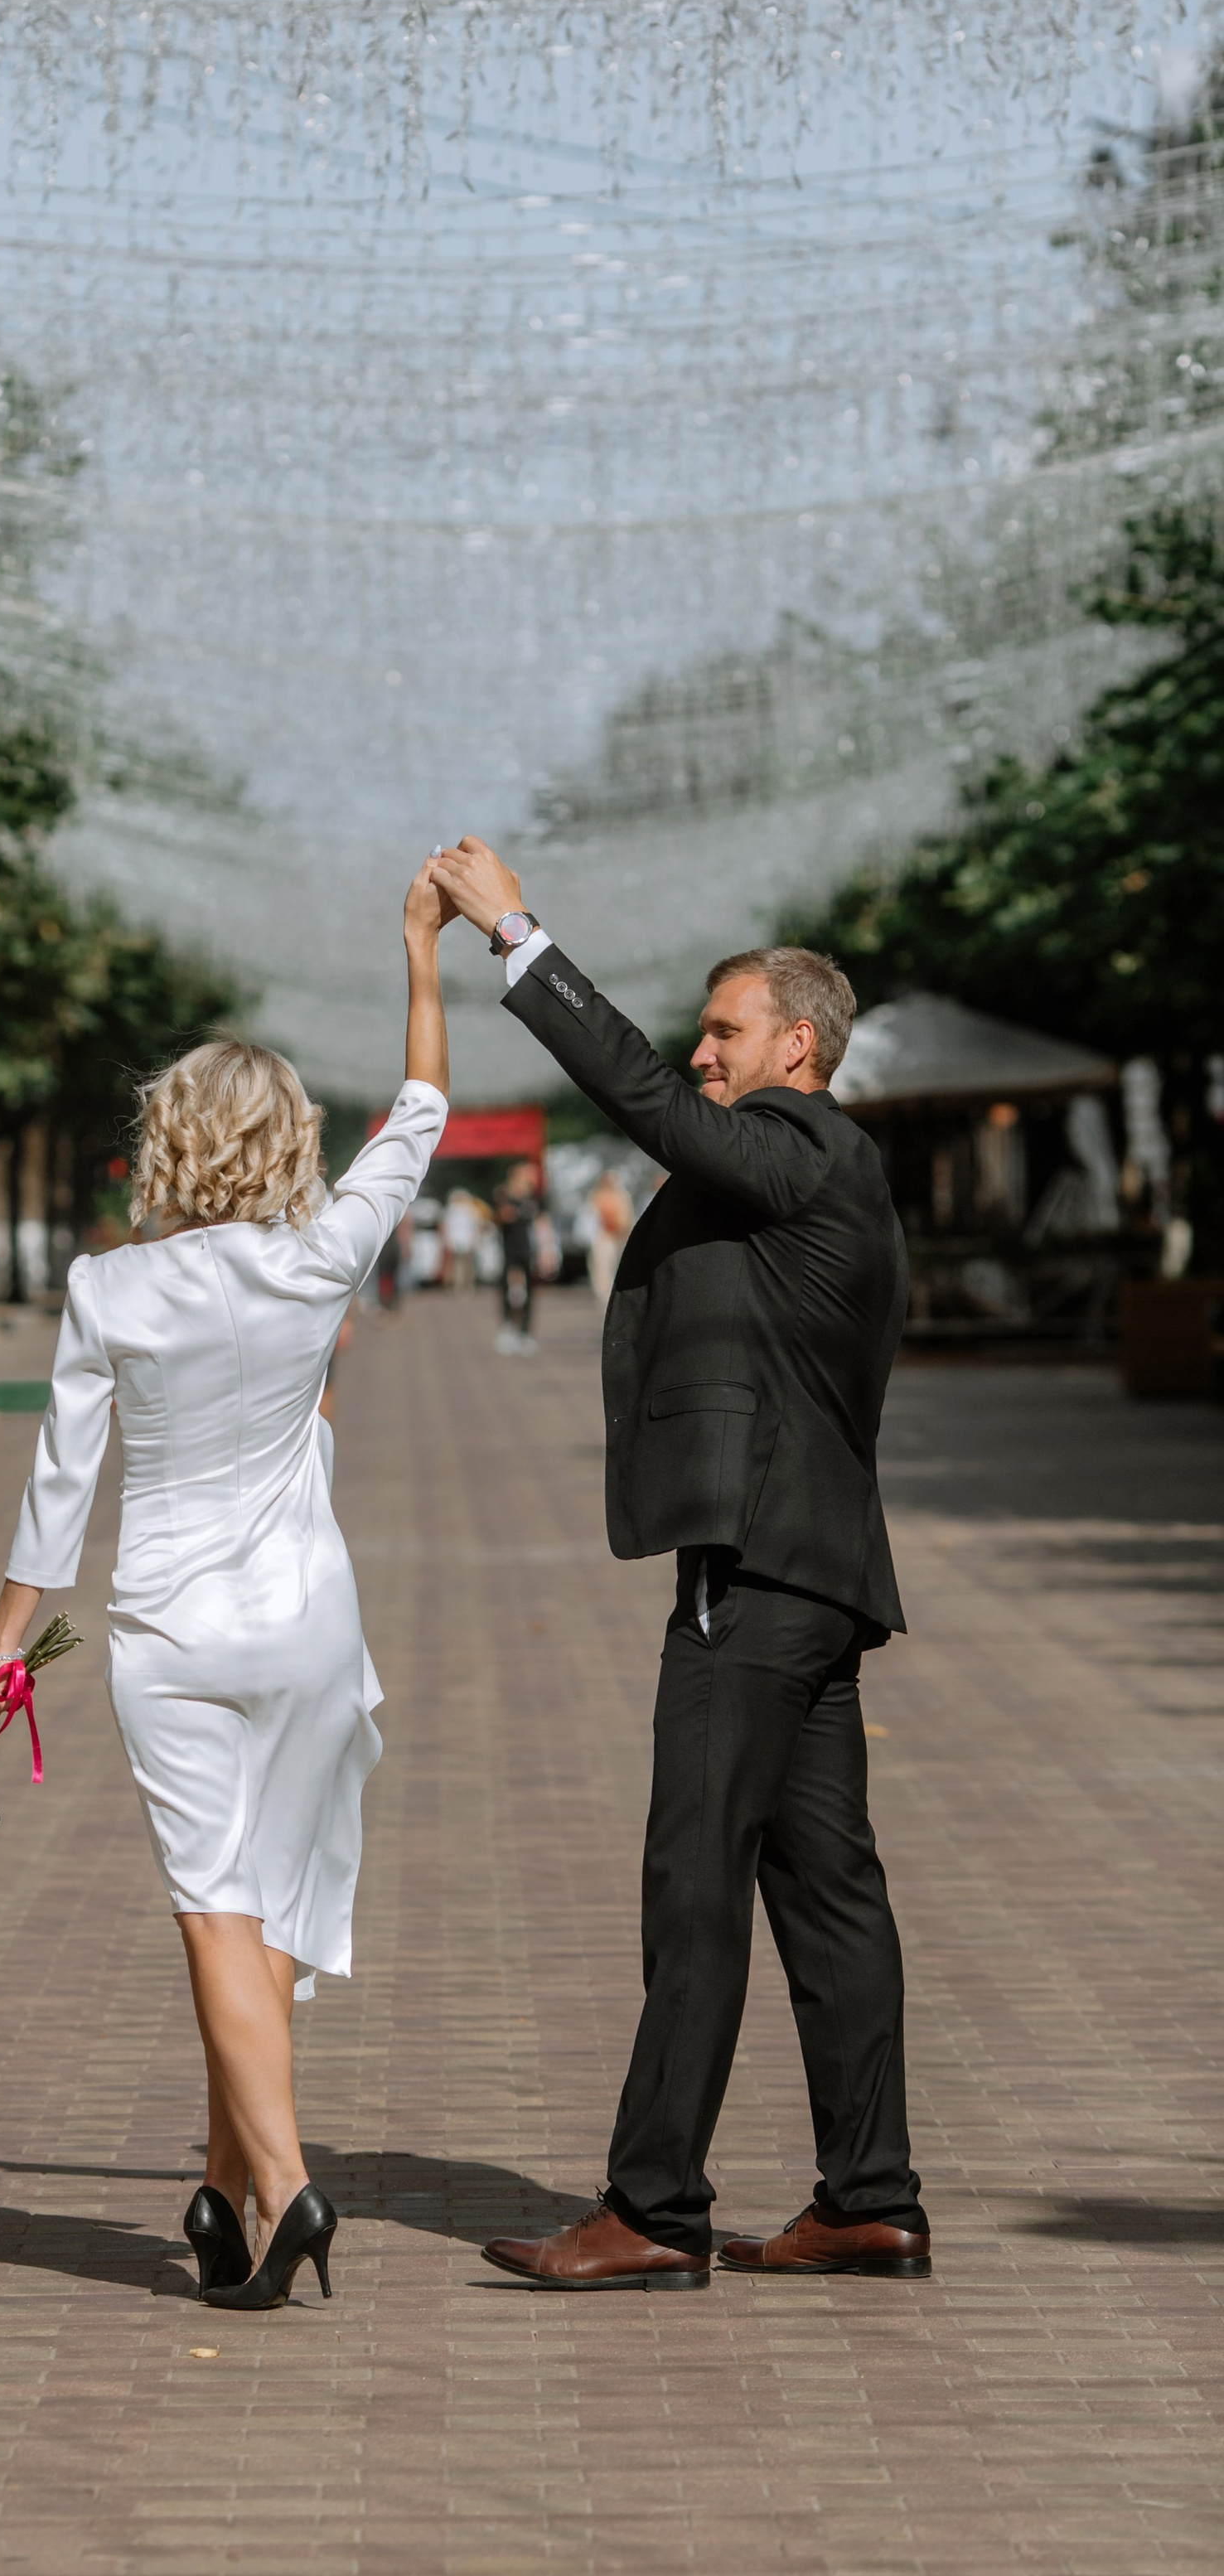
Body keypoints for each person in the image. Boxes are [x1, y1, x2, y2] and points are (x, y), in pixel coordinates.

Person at [0, 866, 456, 2314]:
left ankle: (284, 2188)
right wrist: (419, 952)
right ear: (286, 1140)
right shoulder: (320, 1262)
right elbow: (421, 1107)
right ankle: (227, 2191)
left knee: (211, 1907)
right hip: (305, 1623)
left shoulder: (108, 1292)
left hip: (169, 1635)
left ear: (162, 1143)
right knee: (269, 1910)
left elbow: (58, 1493)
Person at [428, 838, 928, 2294]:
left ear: (798, 1045)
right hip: (814, 1579)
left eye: (724, 1031)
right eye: (703, 1032)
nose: (700, 1056)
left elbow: (646, 1103)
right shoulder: (806, 1173)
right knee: (826, 1888)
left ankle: (653, 2208)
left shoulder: (805, 1147)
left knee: (691, 1879)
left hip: (760, 1577)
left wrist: (517, 933)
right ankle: (869, 2196)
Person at [492, 1158, 544, 1355]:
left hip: (528, 1249)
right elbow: (500, 1217)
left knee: (529, 1292)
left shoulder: (533, 1197)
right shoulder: (504, 1194)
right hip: (509, 1249)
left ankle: (525, 1333)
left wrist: (546, 1249)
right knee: (509, 1290)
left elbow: (540, 1221)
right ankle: (507, 1328)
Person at [588, 1166, 634, 1304]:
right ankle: (604, 1295)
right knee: (602, 1268)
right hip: (604, 1237)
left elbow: (627, 1217)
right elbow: (591, 1218)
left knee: (616, 1266)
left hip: (618, 1237)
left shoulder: (622, 1196)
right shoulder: (597, 1196)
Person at [439, 1182, 486, 1289]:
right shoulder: (455, 1210)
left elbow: (477, 1225)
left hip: (465, 1240)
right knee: (460, 1265)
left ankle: (465, 1284)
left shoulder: (468, 1210)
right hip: (458, 1241)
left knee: (465, 1265)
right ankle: (460, 1284)